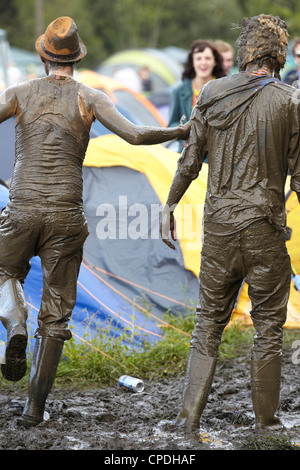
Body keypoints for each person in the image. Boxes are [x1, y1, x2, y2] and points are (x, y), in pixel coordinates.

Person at [0, 16, 190, 428]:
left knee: (2, 272)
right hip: (68, 214)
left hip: (22, 206)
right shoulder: (91, 97)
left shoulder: (18, 92)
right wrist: (182, 128)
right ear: (77, 58)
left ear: (42, 55)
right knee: (56, 316)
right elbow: (137, 135)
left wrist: (7, 178)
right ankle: (34, 410)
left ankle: (14, 321)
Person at [161, 14, 300, 434]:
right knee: (269, 327)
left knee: (207, 323)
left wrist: (168, 205)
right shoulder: (290, 101)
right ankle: (268, 425)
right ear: (278, 54)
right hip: (265, 228)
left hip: (220, 228)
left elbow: (189, 159)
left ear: (245, 50)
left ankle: (187, 420)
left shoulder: (210, 93)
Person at [168, 40, 225, 152]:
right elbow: (172, 125)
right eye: (199, 58)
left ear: (215, 62)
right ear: (192, 62)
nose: (203, 62)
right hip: (186, 154)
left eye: (207, 58)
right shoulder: (179, 92)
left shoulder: (224, 90)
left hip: (215, 156)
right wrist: (185, 132)